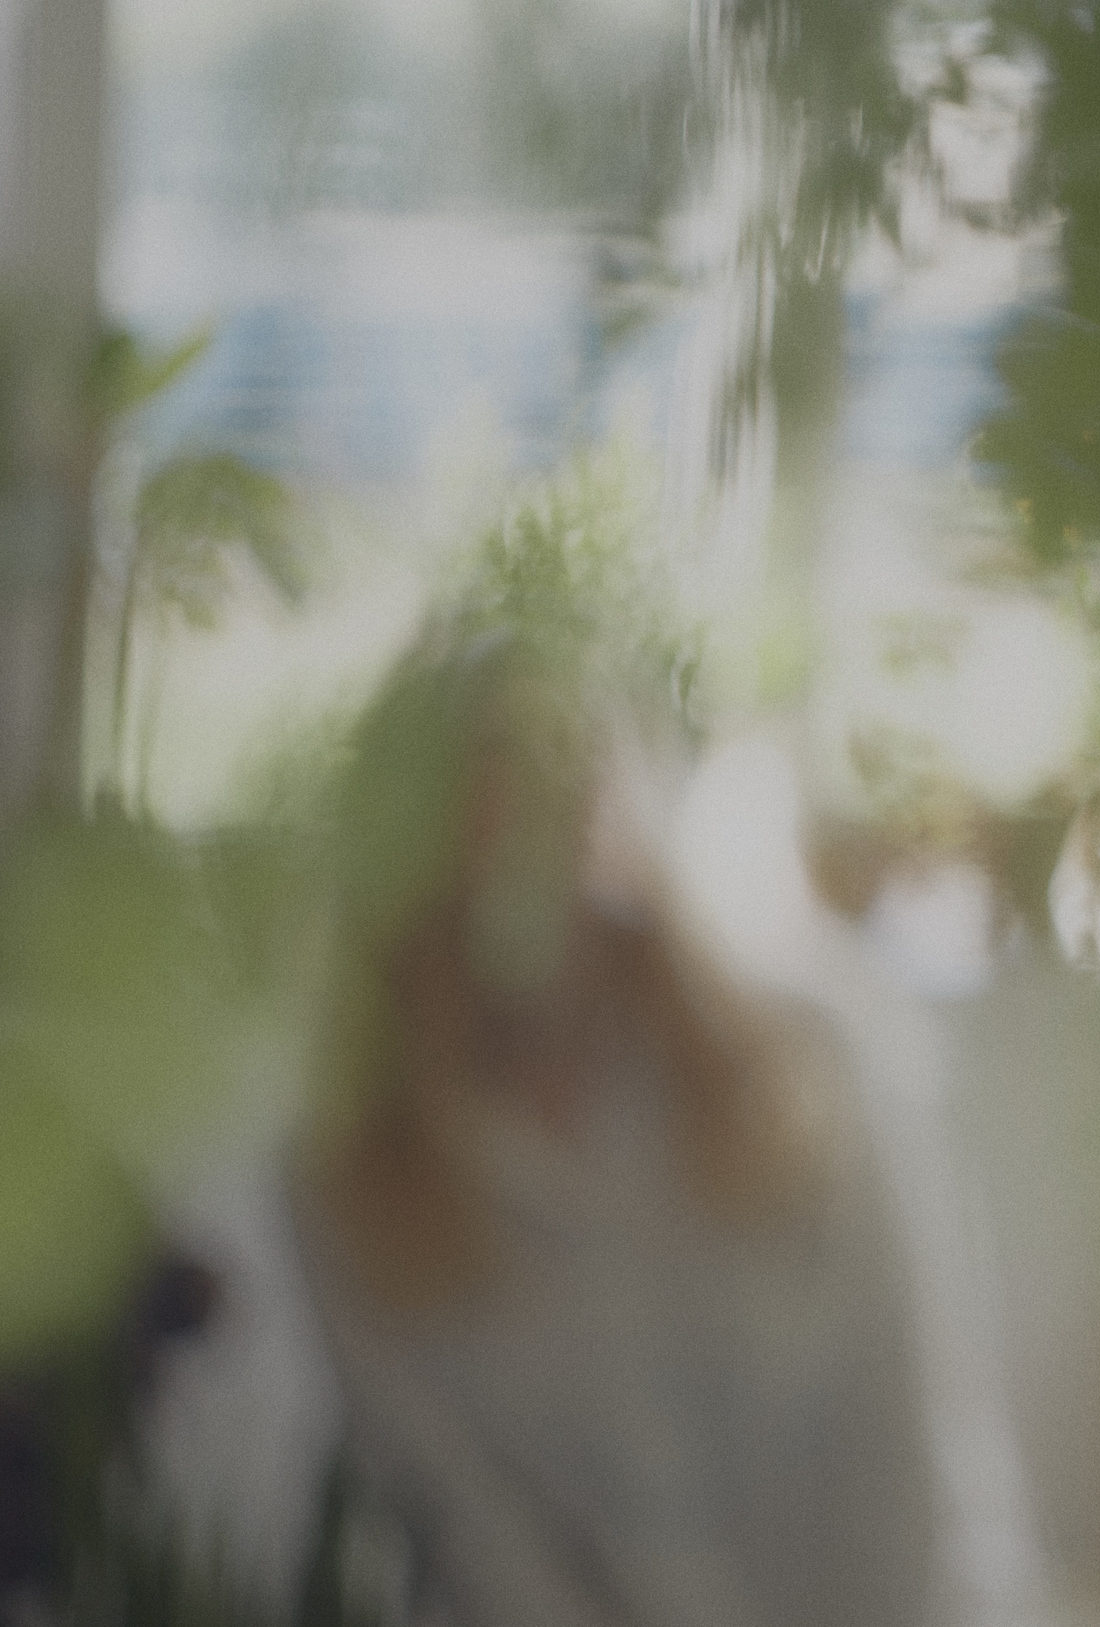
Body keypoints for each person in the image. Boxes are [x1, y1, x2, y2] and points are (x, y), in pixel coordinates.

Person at [294, 628, 947, 1627]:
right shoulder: (350, 1181)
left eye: (559, 808)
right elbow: (485, 1547)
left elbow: (910, 1472)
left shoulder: (811, 1065)